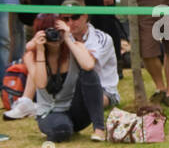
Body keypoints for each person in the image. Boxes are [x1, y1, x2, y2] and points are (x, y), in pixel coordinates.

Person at [21, 12, 106, 141]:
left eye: (58, 31)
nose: (55, 36)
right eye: (50, 32)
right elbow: (41, 83)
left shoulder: (75, 47)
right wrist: (40, 51)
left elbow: (89, 66)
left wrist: (68, 38)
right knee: (62, 130)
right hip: (50, 112)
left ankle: (99, 129)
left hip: (75, 111)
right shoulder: (31, 56)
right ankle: (58, 126)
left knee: (89, 74)